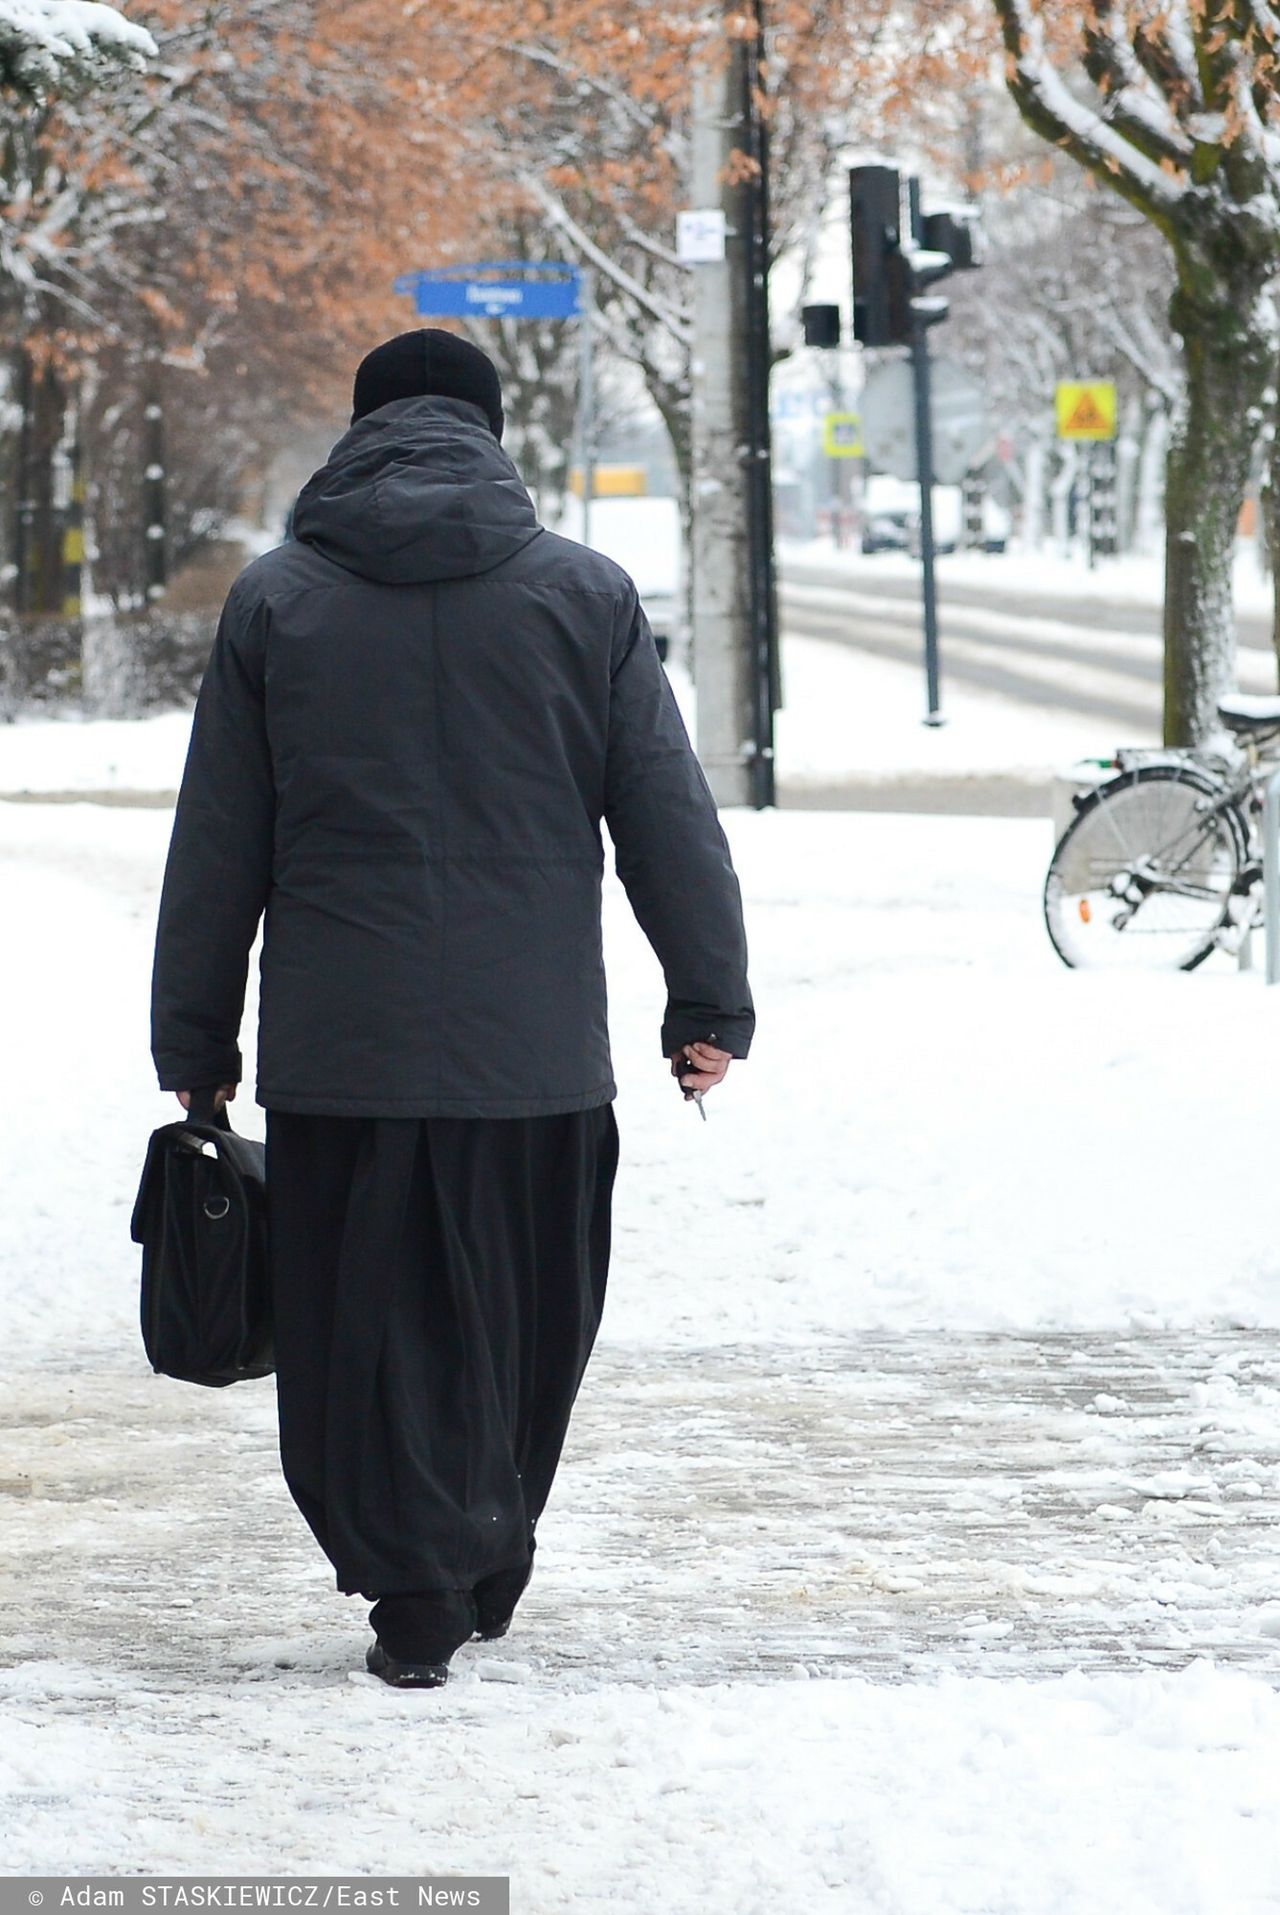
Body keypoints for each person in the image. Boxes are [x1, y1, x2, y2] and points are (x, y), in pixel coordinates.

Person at [149, 329, 754, 1688]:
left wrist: (197, 1047)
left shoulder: (277, 603)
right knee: (523, 1318)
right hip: (531, 1062)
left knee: (354, 1326)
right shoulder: (585, 599)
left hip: (340, 1060)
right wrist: (707, 1001)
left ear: (359, 433)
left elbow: (216, 847)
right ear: (490, 436)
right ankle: (484, 1543)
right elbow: (670, 820)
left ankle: (408, 1575)